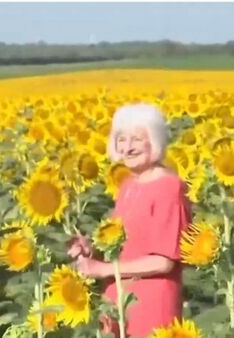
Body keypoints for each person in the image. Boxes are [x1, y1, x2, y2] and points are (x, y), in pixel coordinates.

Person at [68, 103, 191, 338]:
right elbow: (125, 246)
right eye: (121, 139)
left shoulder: (169, 188)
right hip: (118, 301)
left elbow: (164, 261)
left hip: (151, 303)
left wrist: (104, 269)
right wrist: (91, 250)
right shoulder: (128, 185)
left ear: (154, 141)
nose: (127, 147)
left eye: (136, 139)